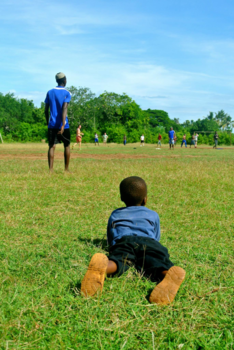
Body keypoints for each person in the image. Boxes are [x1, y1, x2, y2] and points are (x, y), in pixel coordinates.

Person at [81, 176, 186, 305]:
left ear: (122, 198)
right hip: (149, 242)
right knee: (156, 262)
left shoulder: (116, 214)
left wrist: (113, 247)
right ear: (145, 199)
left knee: (119, 260)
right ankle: (167, 274)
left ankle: (104, 267)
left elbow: (111, 236)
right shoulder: (153, 214)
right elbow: (156, 236)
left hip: (124, 240)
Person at [44, 72, 71, 172]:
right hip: (64, 125)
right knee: (67, 145)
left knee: (52, 146)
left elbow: (46, 109)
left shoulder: (50, 92)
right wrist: (63, 124)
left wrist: (48, 122)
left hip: (52, 124)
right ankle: (66, 169)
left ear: (56, 81)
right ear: (65, 80)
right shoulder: (67, 93)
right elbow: (64, 108)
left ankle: (51, 170)